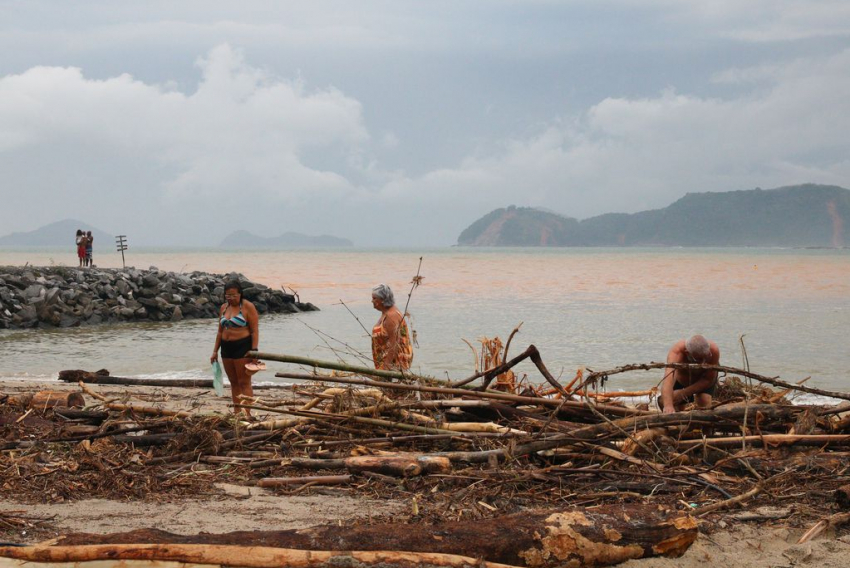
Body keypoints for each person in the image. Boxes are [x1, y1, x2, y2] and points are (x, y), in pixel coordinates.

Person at [210, 281, 260, 418]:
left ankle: (247, 413)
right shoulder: (224, 308)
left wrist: (254, 351)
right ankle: (237, 413)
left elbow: (254, 331)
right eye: (228, 295)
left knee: (244, 381)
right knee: (233, 382)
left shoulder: (248, 307)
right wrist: (215, 351)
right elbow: (220, 332)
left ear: (240, 294)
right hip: (226, 348)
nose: (231, 298)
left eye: (233, 295)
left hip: (242, 346)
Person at [660, 334, 720, 414]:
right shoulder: (677, 352)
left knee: (704, 400)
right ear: (687, 353)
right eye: (699, 359)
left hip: (703, 379)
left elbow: (708, 380)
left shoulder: (714, 351)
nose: (703, 363)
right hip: (682, 379)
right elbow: (668, 378)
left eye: (706, 357)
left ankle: (703, 423)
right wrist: (668, 406)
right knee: (670, 402)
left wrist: (684, 393)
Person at [370, 284, 413, 371]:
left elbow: (395, 343)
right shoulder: (386, 313)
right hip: (385, 361)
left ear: (382, 300)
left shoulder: (391, 316)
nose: (372, 301)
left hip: (394, 364)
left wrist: (387, 365)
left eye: (374, 298)